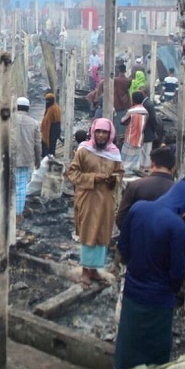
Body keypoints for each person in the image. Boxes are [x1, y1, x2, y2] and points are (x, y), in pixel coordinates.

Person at [114, 178, 185, 369]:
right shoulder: (176, 226)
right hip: (159, 302)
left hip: (132, 293)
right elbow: (177, 270)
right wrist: (171, 289)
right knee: (153, 355)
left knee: (128, 345)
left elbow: (123, 247)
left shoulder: (138, 209)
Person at [66, 118, 123, 289]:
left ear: (109, 134)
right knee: (88, 232)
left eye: (104, 132)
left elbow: (120, 172)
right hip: (88, 197)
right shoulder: (83, 150)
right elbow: (72, 173)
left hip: (106, 199)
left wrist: (114, 180)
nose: (100, 135)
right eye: (98, 131)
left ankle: (95, 270)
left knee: (102, 233)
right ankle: (85, 269)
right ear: (93, 132)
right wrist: (93, 178)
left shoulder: (114, 153)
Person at [115, 147, 176, 229]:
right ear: (173, 168)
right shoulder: (177, 190)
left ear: (152, 164)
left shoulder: (135, 185)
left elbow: (121, 219)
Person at [13, 97, 42, 224]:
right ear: (28, 108)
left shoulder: (8, 120)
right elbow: (37, 144)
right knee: (20, 188)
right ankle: (17, 215)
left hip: (9, 158)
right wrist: (38, 160)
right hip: (25, 159)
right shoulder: (34, 123)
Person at [120, 92, 148, 173]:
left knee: (125, 160)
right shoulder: (145, 111)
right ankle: (133, 173)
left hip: (130, 138)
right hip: (139, 139)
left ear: (133, 100)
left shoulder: (131, 110)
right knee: (135, 160)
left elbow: (122, 121)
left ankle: (124, 174)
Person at [113, 64, 133, 141]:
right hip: (126, 102)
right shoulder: (129, 80)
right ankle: (124, 137)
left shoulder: (115, 80)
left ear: (118, 70)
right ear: (125, 70)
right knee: (125, 120)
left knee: (117, 120)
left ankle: (117, 137)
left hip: (117, 102)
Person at [139, 87, 159, 165]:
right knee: (143, 153)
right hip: (144, 133)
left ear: (145, 93)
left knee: (147, 154)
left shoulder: (148, 104)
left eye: (141, 92)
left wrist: (153, 130)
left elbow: (153, 120)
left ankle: (146, 170)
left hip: (148, 132)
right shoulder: (144, 103)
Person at [41, 93, 62, 157]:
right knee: (53, 144)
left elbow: (47, 122)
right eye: (46, 100)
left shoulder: (51, 109)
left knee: (49, 144)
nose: (47, 102)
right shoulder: (57, 107)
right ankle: (51, 156)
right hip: (56, 127)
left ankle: (48, 157)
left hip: (51, 128)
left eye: (49, 100)